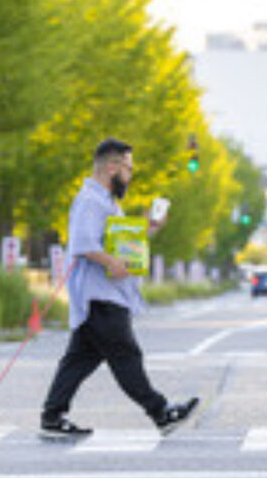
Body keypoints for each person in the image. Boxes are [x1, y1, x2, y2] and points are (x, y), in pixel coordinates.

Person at [40, 137, 199, 439]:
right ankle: (161, 412)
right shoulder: (90, 200)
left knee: (79, 358)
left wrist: (149, 229)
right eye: (128, 168)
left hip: (106, 294)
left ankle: (52, 416)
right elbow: (83, 244)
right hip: (101, 295)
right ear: (112, 167)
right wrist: (110, 262)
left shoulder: (108, 203)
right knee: (126, 356)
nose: (130, 174)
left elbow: (124, 246)